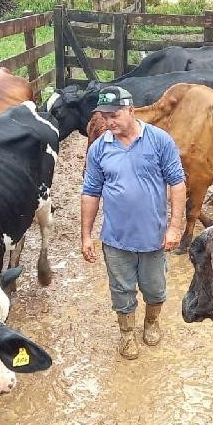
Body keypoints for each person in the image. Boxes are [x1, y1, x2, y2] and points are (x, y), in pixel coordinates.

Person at [81, 86, 187, 360]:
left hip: (153, 237)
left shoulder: (159, 140)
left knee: (155, 287)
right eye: (104, 116)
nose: (109, 122)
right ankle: (127, 335)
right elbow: (91, 192)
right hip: (116, 238)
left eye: (114, 115)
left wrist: (174, 227)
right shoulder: (100, 149)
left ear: (130, 110)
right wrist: (86, 235)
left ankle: (151, 322)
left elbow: (177, 183)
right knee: (121, 289)